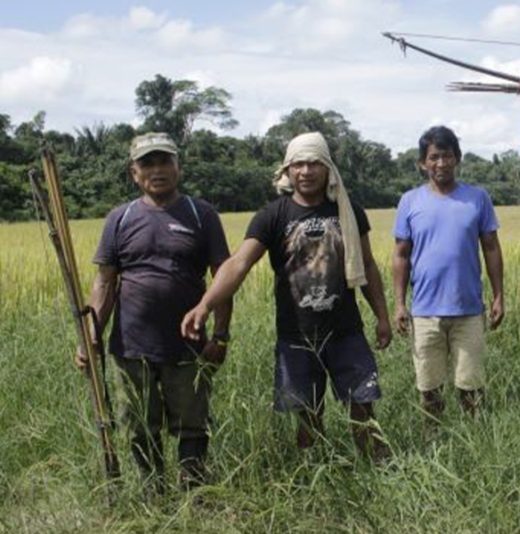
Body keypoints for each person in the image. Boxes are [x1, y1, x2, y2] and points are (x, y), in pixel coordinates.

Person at [181, 132, 393, 462]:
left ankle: (379, 472)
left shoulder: (349, 212)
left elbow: (365, 265)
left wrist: (381, 316)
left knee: (363, 408)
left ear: (327, 168)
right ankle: (314, 478)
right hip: (296, 336)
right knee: (307, 416)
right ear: (287, 170)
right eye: (298, 164)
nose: (306, 171)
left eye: (313, 163)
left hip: (345, 332)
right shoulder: (273, 216)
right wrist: (205, 305)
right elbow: (239, 263)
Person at [81, 132, 232, 491]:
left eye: (165, 161)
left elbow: (223, 278)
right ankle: (152, 493)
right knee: (137, 424)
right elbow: (104, 284)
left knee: (193, 423)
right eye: (147, 163)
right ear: (134, 173)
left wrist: (222, 334)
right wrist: (90, 337)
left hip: (188, 345)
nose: (157, 169)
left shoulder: (202, 214)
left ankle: (194, 493)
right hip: (131, 346)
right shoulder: (120, 218)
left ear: (178, 167)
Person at [392, 126, 504, 423]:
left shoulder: (477, 198)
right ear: (422, 163)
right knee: (429, 388)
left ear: (458, 159)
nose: (441, 163)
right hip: (425, 312)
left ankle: (474, 441)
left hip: (468, 310)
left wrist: (499, 296)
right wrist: (400, 304)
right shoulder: (410, 202)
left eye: (447, 156)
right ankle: (434, 442)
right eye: (434, 157)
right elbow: (401, 255)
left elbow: (491, 248)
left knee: (472, 386)